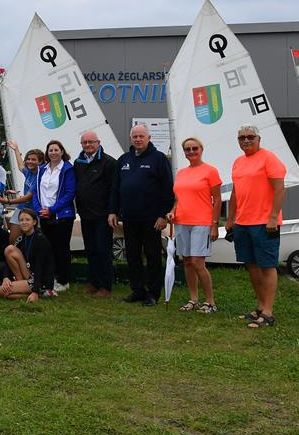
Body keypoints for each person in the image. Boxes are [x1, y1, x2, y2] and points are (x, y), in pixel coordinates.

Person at [226, 125, 286, 329]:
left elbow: (279, 189)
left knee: (267, 266)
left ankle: (268, 313)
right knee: (251, 265)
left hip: (264, 223)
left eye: (250, 137)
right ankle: (260, 307)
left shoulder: (269, 158)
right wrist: (231, 218)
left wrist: (273, 217)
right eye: (241, 137)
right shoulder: (238, 162)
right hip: (243, 222)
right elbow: (235, 193)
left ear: (259, 139)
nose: (246, 140)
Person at [108, 124, 174, 306]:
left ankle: (153, 293)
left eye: (141, 136)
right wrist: (113, 211)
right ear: (131, 138)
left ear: (148, 138)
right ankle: (137, 290)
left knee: (152, 255)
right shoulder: (124, 159)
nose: (138, 139)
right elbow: (115, 188)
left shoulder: (159, 159)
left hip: (152, 219)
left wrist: (163, 215)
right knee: (132, 255)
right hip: (129, 218)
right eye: (135, 136)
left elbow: (167, 189)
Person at [167, 136, 221, 313]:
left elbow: (217, 200)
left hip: (202, 222)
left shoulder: (210, 171)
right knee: (187, 262)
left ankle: (210, 302)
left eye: (194, 148)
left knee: (198, 262)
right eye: (187, 149)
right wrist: (172, 211)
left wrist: (214, 224)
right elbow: (179, 199)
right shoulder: (182, 173)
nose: (191, 152)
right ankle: (193, 299)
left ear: (201, 150)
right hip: (182, 221)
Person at [74, 130, 117, 298]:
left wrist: (112, 211)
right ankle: (94, 281)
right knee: (90, 249)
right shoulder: (78, 162)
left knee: (102, 250)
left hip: (102, 215)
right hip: (85, 215)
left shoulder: (109, 162)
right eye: (84, 142)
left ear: (98, 143)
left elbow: (114, 189)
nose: (88, 145)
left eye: (91, 142)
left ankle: (106, 286)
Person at [33, 139, 76, 292]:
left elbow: (70, 193)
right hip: (44, 215)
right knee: (48, 248)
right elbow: (35, 192)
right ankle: (50, 278)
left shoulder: (68, 169)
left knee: (61, 249)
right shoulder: (42, 169)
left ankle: (63, 281)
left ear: (62, 152)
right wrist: (39, 209)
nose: (53, 153)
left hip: (62, 216)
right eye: (50, 150)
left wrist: (52, 210)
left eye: (56, 150)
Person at [0, 208, 56, 302]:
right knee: (9, 249)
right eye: (21, 220)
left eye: (27, 220)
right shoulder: (22, 238)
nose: (24, 222)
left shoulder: (40, 239)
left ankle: (40, 292)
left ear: (34, 222)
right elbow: (8, 260)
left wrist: (35, 291)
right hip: (29, 275)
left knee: (2, 291)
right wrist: (6, 277)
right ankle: (27, 288)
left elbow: (40, 266)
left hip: (41, 280)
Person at [3, 142, 44, 242]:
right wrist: (16, 149)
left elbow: (28, 197)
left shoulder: (40, 177)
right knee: (12, 240)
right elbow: (20, 165)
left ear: (40, 162)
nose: (30, 161)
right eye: (28, 159)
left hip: (34, 211)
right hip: (22, 208)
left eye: (33, 159)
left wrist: (8, 201)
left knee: (33, 241)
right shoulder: (28, 172)